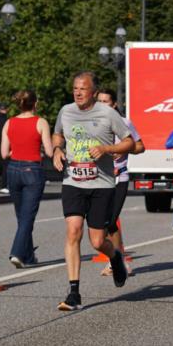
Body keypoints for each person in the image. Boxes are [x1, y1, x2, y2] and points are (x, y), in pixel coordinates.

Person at [51, 71, 134, 311]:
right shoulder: (65, 111)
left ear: (94, 93)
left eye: (83, 89)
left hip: (102, 184)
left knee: (98, 241)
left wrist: (108, 149)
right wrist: (57, 149)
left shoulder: (107, 114)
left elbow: (129, 141)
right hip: (73, 181)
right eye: (75, 88)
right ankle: (74, 292)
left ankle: (115, 256)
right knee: (73, 231)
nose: (77, 92)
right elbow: (58, 134)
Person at [1, 90, 53, 267]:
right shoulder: (41, 122)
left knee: (22, 216)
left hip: (13, 170)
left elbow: (3, 153)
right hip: (32, 170)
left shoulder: (9, 123)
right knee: (28, 217)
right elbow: (49, 151)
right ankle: (17, 252)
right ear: (35, 103)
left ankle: (29, 257)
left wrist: (16, 150)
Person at [97, 90, 145, 277]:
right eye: (99, 101)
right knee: (104, 224)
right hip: (99, 178)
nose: (102, 105)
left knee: (110, 220)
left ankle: (119, 262)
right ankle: (117, 259)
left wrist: (123, 149)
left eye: (106, 102)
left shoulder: (124, 123)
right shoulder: (91, 124)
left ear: (114, 104)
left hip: (119, 178)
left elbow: (141, 146)